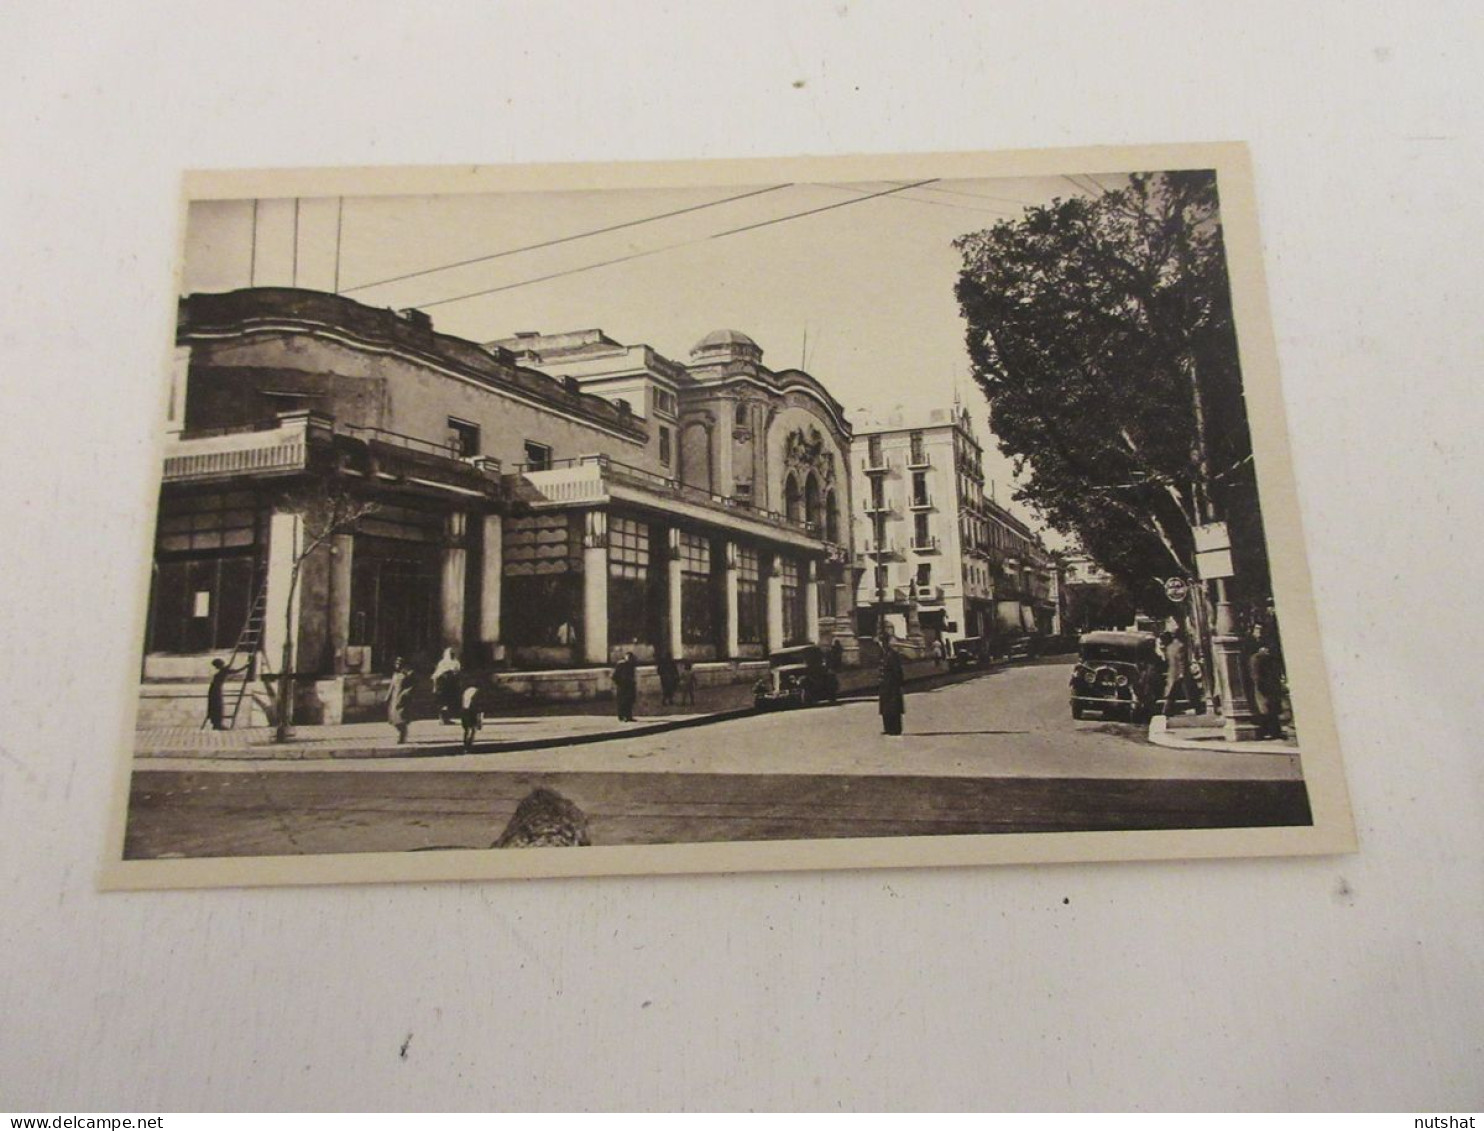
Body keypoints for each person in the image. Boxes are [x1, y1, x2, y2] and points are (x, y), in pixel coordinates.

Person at [1249, 628, 1285, 740]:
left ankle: (1272, 731)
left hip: (1268, 686)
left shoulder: (1264, 658)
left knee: (1269, 709)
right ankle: (1270, 731)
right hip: (1263, 687)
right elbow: (1257, 676)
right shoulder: (1257, 658)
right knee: (1266, 709)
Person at [1160, 629, 1200, 718]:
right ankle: (1167, 710)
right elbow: (1182, 661)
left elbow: (1176, 660)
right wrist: (1182, 672)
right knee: (1189, 691)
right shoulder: (1179, 646)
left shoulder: (1170, 647)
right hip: (1180, 673)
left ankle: (1167, 710)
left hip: (1174, 672)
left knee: (1173, 693)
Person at [205, 657, 245, 731]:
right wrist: (245, 666)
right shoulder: (224, 670)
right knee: (218, 706)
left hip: (213, 690)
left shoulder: (223, 670)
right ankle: (218, 724)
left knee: (214, 706)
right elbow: (235, 671)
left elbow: (229, 671)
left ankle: (215, 723)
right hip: (216, 690)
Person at [878, 636, 906, 735]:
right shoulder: (884, 654)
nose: (880, 645)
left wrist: (898, 684)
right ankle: (888, 728)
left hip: (892, 685)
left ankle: (895, 729)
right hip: (885, 686)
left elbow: (897, 671)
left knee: (894, 708)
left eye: (881, 642)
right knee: (886, 708)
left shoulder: (892, 655)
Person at [386, 657, 415, 744]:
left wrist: (406, 693)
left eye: (399, 663)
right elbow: (391, 687)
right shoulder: (395, 675)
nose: (397, 665)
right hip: (395, 698)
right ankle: (402, 734)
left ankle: (402, 736)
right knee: (394, 720)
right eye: (396, 663)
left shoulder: (409, 674)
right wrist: (387, 697)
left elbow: (413, 686)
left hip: (403, 699)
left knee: (401, 718)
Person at [432, 647, 462, 724]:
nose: (452, 655)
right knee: (442, 702)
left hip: (451, 685)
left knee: (450, 702)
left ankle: (447, 718)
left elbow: (457, 673)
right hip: (442, 685)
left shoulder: (456, 662)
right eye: (450, 654)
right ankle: (442, 718)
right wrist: (435, 686)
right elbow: (436, 675)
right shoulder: (442, 663)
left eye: (453, 654)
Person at [612, 652, 638, 722]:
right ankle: (622, 716)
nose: (630, 659)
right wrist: (620, 683)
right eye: (628, 657)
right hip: (622, 686)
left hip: (630, 686)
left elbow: (632, 675)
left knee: (629, 701)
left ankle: (629, 716)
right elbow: (614, 676)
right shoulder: (621, 664)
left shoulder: (632, 665)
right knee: (622, 702)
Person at [460, 678, 483, 753]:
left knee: (467, 730)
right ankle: (469, 746)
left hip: (464, 710)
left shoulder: (466, 690)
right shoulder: (478, 691)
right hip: (472, 711)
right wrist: (479, 719)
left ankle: (465, 746)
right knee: (473, 729)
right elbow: (477, 704)